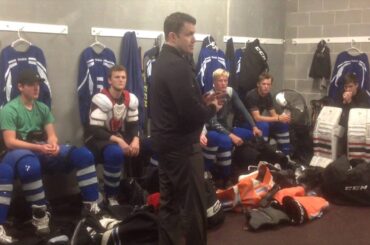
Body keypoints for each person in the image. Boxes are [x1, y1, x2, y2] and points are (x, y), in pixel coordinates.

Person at [0, 69, 117, 242]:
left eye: (38, 84)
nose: (36, 88)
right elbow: (10, 142)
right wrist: (39, 148)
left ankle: (92, 207)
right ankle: (40, 217)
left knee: (84, 155)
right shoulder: (9, 109)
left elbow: (52, 134)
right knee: (30, 166)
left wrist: (53, 144)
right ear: (20, 87)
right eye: (31, 85)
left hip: (41, 149)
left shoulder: (42, 107)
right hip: (18, 153)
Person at [150, 12, 221, 245]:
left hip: (165, 144)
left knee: (169, 205)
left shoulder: (162, 62)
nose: (194, 39)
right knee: (194, 208)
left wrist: (200, 101)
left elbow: (178, 104)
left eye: (194, 33)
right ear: (172, 36)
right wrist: (212, 107)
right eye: (189, 34)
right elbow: (191, 115)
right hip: (182, 147)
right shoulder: (177, 65)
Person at [85, 64, 140, 206]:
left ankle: (139, 188)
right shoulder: (100, 98)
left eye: (123, 77)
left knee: (149, 146)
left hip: (117, 135)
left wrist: (136, 140)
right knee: (115, 153)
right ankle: (111, 195)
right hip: (98, 139)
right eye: (117, 77)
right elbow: (95, 130)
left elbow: (134, 125)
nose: (120, 80)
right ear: (109, 80)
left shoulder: (130, 98)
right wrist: (119, 141)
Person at [202, 68, 262, 187]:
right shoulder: (210, 96)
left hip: (226, 128)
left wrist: (254, 126)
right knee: (226, 142)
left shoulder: (230, 91)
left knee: (252, 134)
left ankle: (238, 166)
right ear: (214, 82)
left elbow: (243, 109)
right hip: (211, 130)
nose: (224, 83)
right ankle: (225, 177)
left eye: (226, 80)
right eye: (220, 81)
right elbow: (213, 122)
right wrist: (232, 136)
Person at [241, 72, 292, 156]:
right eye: (263, 84)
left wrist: (283, 118)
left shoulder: (268, 95)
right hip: (245, 122)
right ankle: (263, 155)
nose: (266, 87)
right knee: (263, 125)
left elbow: (274, 115)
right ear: (258, 84)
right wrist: (278, 118)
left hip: (257, 122)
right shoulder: (252, 95)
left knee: (283, 124)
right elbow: (257, 118)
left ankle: (285, 155)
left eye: (268, 84)